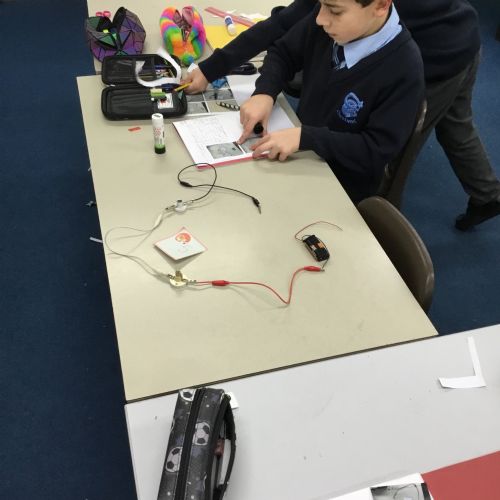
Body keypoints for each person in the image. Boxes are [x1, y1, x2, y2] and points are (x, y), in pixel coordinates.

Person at [183, 0, 500, 229]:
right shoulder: (335, 19)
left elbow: (376, 149)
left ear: (380, 5)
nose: (320, 18)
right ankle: (487, 195)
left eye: (332, 10)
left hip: (446, 48)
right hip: (313, 154)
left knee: (420, 144)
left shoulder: (402, 67)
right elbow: (285, 44)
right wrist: (265, 91)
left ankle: (384, 228)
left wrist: (309, 137)